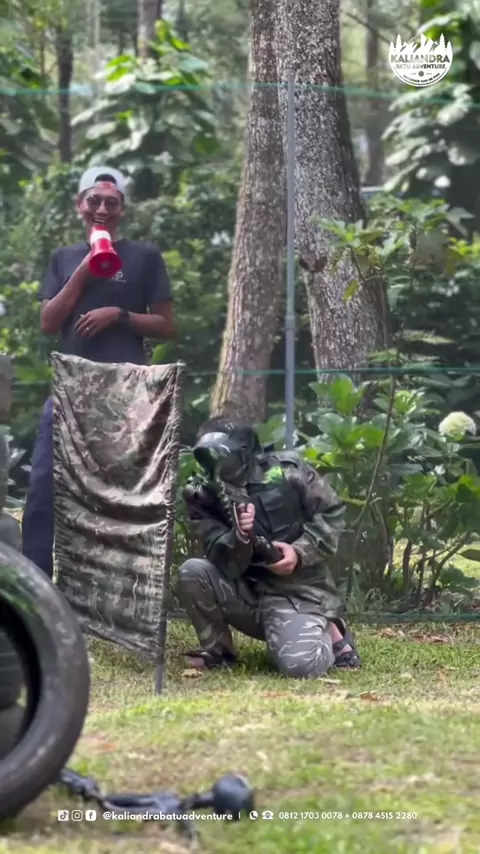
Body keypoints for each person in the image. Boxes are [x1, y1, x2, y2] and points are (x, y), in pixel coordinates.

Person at [22, 166, 175, 579]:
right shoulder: (64, 258)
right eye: (94, 200)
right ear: (80, 205)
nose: (102, 209)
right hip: (71, 390)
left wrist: (119, 315)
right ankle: (35, 588)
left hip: (127, 391)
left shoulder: (144, 257)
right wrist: (84, 271)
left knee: (124, 494)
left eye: (111, 202)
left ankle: (123, 585)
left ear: (122, 209)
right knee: (43, 485)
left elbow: (166, 325)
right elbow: (48, 323)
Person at [175, 417, 361, 679]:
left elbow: (333, 513)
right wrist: (239, 537)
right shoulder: (202, 495)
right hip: (245, 591)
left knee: (300, 667)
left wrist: (299, 552)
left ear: (244, 452)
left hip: (296, 592)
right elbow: (218, 553)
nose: (216, 465)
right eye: (207, 457)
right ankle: (219, 652)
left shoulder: (286, 472)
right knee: (192, 571)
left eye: (222, 456)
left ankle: (332, 633)